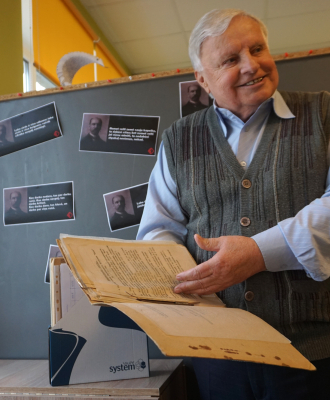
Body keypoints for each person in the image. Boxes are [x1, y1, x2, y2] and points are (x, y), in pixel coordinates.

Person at [137, 8, 330, 400]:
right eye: (230, 59)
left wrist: (258, 253)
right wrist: (185, 278)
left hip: (312, 353)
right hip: (215, 358)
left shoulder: (323, 114)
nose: (251, 65)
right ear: (202, 80)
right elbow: (158, 230)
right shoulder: (177, 140)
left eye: (257, 49)